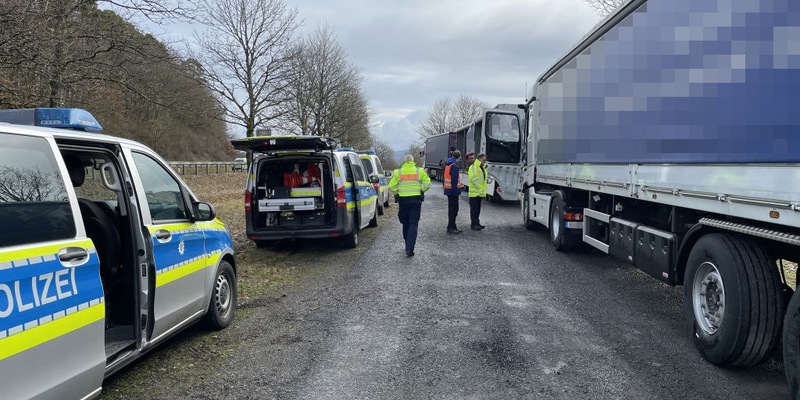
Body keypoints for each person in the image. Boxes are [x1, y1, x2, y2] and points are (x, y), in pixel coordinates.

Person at [388, 154, 431, 256]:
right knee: (413, 224)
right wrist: (421, 190)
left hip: (403, 201)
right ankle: (409, 249)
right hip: (415, 200)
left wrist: (397, 193)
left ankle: (407, 244)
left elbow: (391, 186)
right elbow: (427, 184)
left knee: (405, 223)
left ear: (404, 161)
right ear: (413, 161)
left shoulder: (398, 172)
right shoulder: (419, 171)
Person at [443, 150, 463, 234]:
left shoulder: (448, 164)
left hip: (448, 190)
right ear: (458, 157)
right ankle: (451, 227)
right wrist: (457, 191)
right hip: (453, 192)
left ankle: (452, 226)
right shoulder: (454, 166)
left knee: (451, 209)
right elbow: (454, 180)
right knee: (454, 210)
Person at [468, 153, 488, 230]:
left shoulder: (482, 168)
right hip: (474, 193)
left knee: (477, 209)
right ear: (479, 159)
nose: (485, 162)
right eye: (484, 160)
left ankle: (477, 223)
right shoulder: (474, 167)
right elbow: (473, 178)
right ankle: (474, 224)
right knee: (474, 209)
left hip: (479, 193)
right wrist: (479, 188)